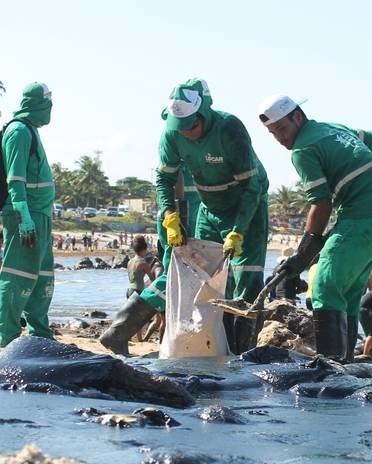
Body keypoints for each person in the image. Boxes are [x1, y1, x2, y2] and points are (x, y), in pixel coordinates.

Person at [101, 79, 269, 354]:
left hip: (245, 205)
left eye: (191, 126)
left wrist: (239, 230)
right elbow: (164, 179)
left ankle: (240, 353)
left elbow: (252, 187)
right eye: (180, 127)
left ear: (204, 114)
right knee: (193, 274)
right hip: (209, 208)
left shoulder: (229, 128)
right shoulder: (172, 133)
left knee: (246, 278)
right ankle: (122, 331)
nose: (186, 133)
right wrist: (170, 217)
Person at [260, 94, 372, 361]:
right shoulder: (334, 129)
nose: (280, 138)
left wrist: (302, 255)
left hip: (360, 219)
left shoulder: (303, 150)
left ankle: (330, 367)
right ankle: (346, 363)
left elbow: (321, 204)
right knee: (348, 292)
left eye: (282, 129)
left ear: (297, 116)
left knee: (323, 285)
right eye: (273, 133)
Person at [0, 82, 55, 347]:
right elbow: (15, 178)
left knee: (42, 278)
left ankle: (40, 335)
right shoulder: (18, 131)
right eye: (48, 101)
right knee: (17, 275)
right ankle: (7, 338)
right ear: (37, 103)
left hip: (41, 215)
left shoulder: (31, 130)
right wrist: (23, 215)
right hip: (27, 215)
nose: (51, 107)